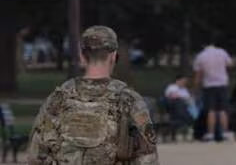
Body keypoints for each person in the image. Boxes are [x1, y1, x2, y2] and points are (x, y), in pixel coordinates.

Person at [29, 26, 159, 164]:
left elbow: (36, 156)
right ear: (113, 56)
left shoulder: (57, 99)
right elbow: (147, 156)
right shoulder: (129, 100)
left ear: (82, 56)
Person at [193, 38, 233, 142]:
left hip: (209, 85)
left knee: (211, 110)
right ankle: (225, 133)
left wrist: (196, 87)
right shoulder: (222, 52)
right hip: (222, 84)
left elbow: (198, 74)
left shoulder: (200, 56)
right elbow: (230, 64)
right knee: (222, 109)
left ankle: (210, 134)